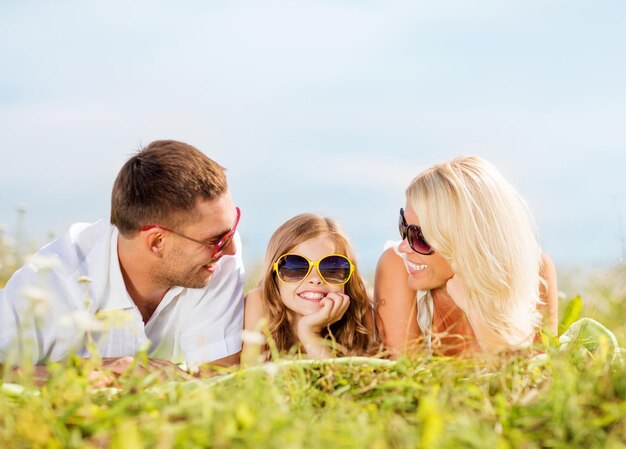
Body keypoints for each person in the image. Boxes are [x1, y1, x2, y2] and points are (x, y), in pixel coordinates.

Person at [0, 140, 244, 373]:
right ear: (157, 242)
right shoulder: (51, 280)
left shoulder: (218, 259)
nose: (231, 249)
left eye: (232, 228)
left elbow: (216, 379)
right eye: (216, 240)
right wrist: (89, 372)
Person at [375, 156, 558, 357]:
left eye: (420, 236)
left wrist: (475, 311)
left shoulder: (534, 270)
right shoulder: (397, 267)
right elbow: (404, 379)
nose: (403, 247)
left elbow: (535, 378)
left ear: (465, 241)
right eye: (404, 226)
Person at [244, 214, 378, 359]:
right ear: (274, 274)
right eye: (296, 267)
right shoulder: (259, 301)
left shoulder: (361, 307)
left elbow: (343, 381)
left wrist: (310, 333)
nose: (315, 279)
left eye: (331, 269)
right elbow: (251, 377)